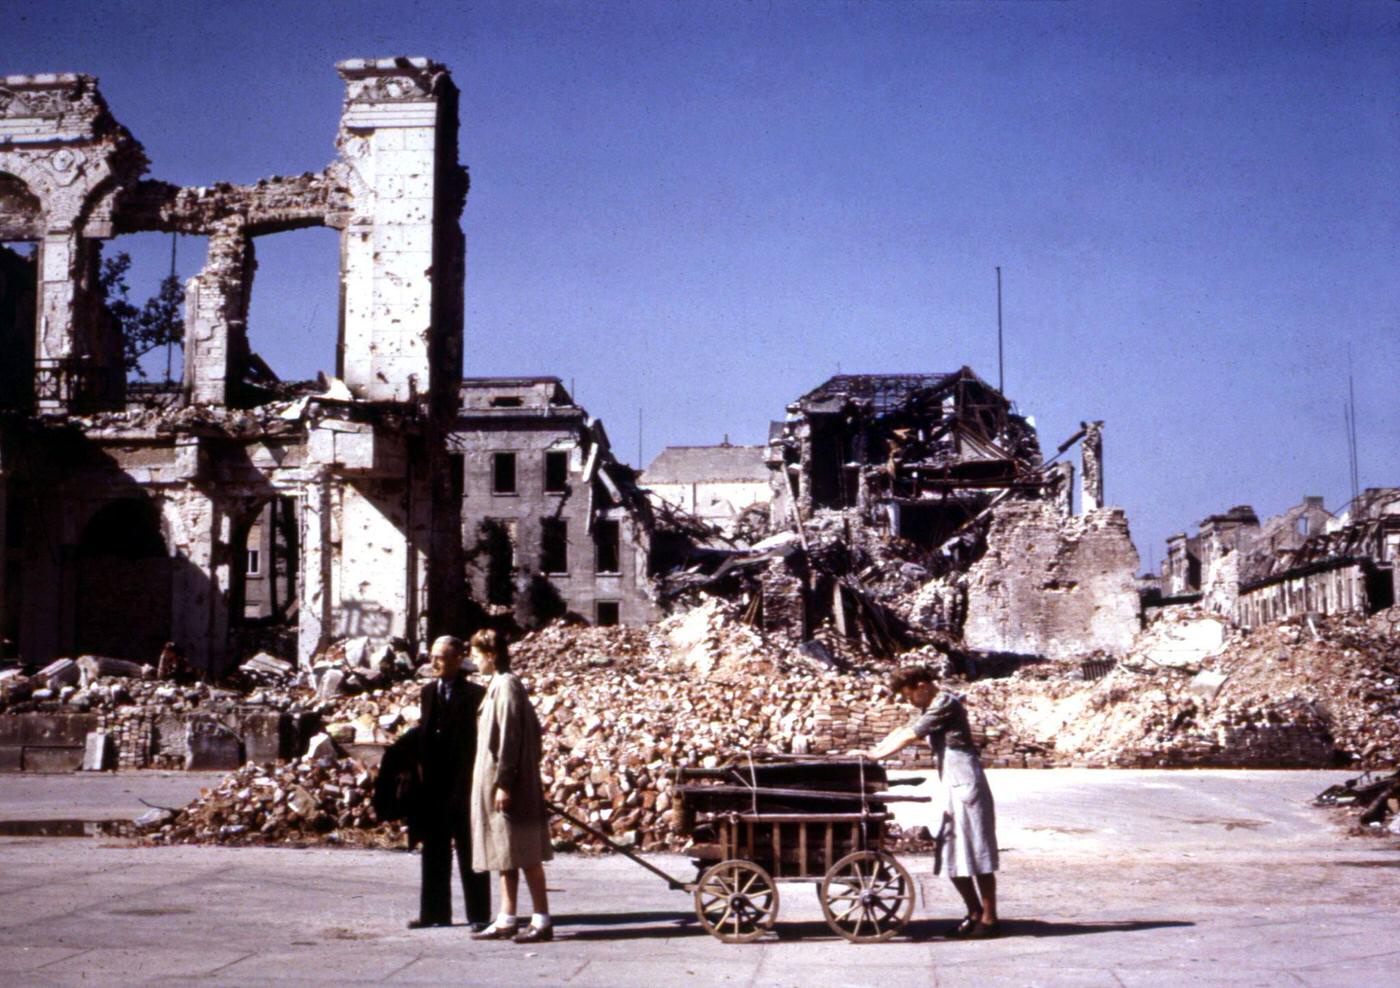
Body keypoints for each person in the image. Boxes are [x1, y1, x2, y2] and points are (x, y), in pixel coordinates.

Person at [858, 664, 1001, 939]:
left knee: (976, 850)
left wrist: (876, 757)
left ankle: (989, 918)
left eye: (909, 695)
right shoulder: (930, 707)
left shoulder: (945, 703)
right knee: (952, 852)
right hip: (951, 779)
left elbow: (913, 735)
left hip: (965, 780)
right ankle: (973, 913)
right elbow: (904, 729)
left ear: (922, 685)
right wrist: (873, 751)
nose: (909, 701)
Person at [468, 628, 555, 944]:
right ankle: (507, 917)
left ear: (491, 656)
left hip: (508, 784)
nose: (474, 661)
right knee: (504, 851)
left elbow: (510, 739)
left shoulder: (506, 687)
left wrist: (505, 782)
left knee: (525, 852)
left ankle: (542, 919)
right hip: (500, 782)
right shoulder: (498, 686)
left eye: (477, 656)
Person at [409, 635, 491, 930]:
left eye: (441, 657)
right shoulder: (428, 692)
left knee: (471, 849)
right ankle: (434, 912)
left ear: (459, 659)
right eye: (433, 656)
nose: (435, 663)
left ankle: (479, 914)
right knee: (434, 849)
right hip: (434, 786)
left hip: (465, 784)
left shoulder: (475, 695)